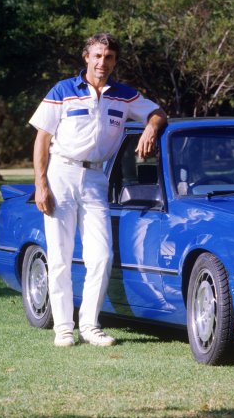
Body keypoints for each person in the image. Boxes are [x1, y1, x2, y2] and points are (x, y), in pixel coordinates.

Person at [29, 33, 167, 347]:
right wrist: (41, 184)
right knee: (60, 256)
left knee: (101, 256)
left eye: (109, 57)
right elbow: (42, 139)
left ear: (115, 61)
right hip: (61, 172)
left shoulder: (124, 95)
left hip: (95, 179)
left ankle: (90, 325)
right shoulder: (63, 90)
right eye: (97, 56)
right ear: (86, 58)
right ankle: (64, 327)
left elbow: (158, 112)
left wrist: (150, 127)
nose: (102, 63)